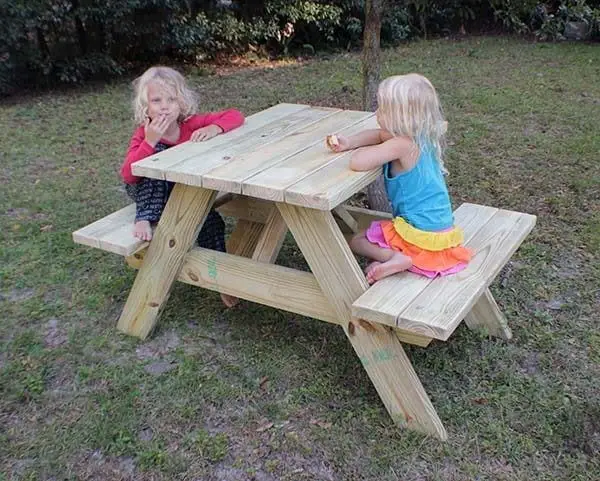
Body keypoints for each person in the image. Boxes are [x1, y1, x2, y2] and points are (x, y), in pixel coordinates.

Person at [327, 73, 472, 284]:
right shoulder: (422, 136)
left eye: (383, 109)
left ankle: (398, 258)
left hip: (418, 230)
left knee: (357, 240)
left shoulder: (401, 145)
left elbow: (358, 162)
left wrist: (356, 152)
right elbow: (378, 135)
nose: (377, 112)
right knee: (375, 236)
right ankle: (393, 261)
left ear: (400, 117)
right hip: (441, 230)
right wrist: (349, 142)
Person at [121, 65, 244, 306]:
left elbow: (235, 115)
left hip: (182, 192)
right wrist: (149, 142)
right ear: (145, 107)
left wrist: (213, 128)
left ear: (182, 104)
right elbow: (129, 175)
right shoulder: (143, 134)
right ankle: (144, 218)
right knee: (155, 167)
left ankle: (220, 280)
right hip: (147, 191)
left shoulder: (190, 125)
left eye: (171, 99)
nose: (165, 106)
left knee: (212, 222)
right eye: (156, 100)